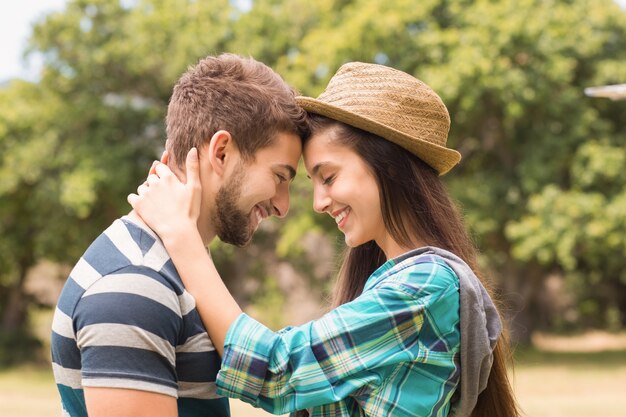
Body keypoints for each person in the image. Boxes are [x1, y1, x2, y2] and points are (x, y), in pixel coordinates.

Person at [129, 62, 520, 417]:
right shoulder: (391, 284)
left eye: (328, 177)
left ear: (388, 166)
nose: (317, 203)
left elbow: (276, 369)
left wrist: (182, 237)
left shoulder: (424, 287)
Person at [50, 53, 309, 417]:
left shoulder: (171, 267)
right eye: (280, 177)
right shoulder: (135, 286)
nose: (283, 206)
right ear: (221, 152)